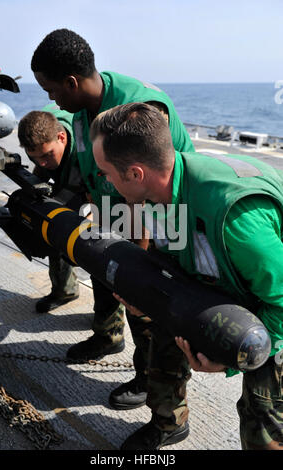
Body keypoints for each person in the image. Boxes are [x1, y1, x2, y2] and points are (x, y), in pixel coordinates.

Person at [89, 101, 283, 450]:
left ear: (135, 173)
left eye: (106, 172)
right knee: (162, 333)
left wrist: (231, 362)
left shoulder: (234, 217)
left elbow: (281, 300)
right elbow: (172, 253)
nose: (104, 181)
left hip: (276, 303)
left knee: (264, 417)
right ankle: (169, 423)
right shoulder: (157, 194)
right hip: (228, 277)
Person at [30, 28, 195, 434]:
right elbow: (94, 176)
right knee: (106, 276)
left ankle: (166, 410)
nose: (52, 100)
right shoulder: (84, 113)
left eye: (52, 90)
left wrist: (134, 265)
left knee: (148, 307)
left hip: (161, 217)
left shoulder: (136, 110)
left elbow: (150, 193)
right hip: (115, 207)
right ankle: (108, 336)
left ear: (71, 82)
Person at [18, 105, 86, 313]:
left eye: (47, 155)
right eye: (35, 157)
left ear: (62, 137)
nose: (43, 162)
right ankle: (65, 290)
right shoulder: (39, 133)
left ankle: (109, 329)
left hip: (102, 178)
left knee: (102, 249)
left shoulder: (86, 150)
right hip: (68, 171)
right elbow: (42, 162)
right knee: (53, 223)